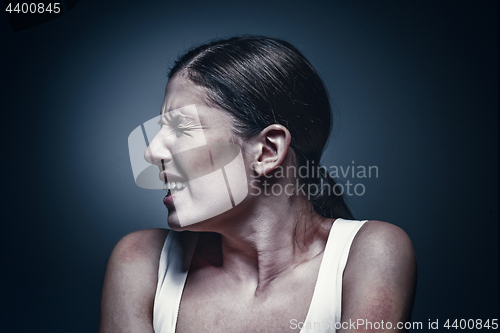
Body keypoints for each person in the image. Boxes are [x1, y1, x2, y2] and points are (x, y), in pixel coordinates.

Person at [99, 36, 417, 333]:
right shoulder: (141, 260)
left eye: (181, 129)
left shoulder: (370, 252)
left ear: (267, 151)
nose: (151, 152)